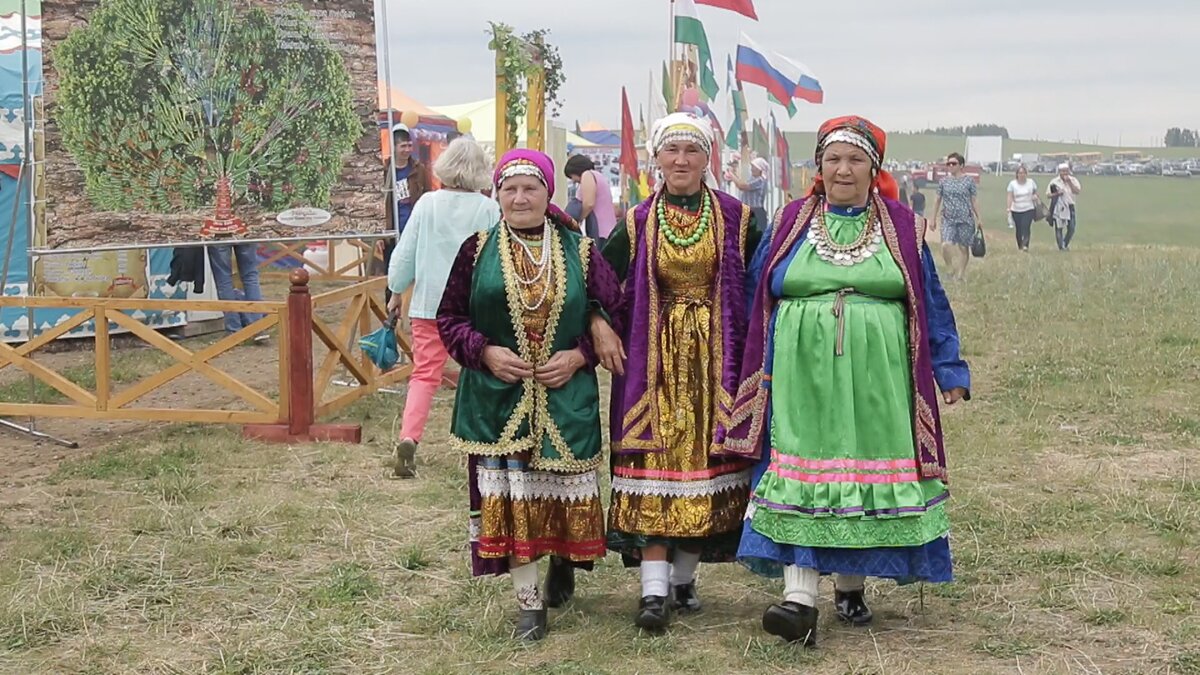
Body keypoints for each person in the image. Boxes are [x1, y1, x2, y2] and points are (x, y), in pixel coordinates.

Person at [721, 115, 971, 647]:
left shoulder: (903, 227)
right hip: (798, 374)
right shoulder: (790, 221)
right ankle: (798, 599)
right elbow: (753, 294)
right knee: (803, 468)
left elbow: (928, 301)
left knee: (861, 470)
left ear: (874, 168)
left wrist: (949, 369)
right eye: (833, 159)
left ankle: (852, 586)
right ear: (818, 167)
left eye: (855, 159)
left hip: (880, 377)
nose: (843, 169)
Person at [436, 149, 624, 642]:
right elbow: (449, 320)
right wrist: (484, 351)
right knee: (513, 501)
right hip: (497, 402)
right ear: (496, 194)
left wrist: (582, 353)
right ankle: (528, 603)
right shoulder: (475, 251)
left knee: (561, 497)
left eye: (531, 188)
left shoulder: (580, 251)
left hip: (564, 400)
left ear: (549, 194)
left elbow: (618, 309)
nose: (520, 198)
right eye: (510, 189)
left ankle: (562, 559)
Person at [590, 113, 761, 631]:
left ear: (708, 159)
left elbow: (763, 288)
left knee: (707, 472)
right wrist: (599, 321)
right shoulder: (639, 221)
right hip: (654, 364)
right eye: (672, 152)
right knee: (654, 469)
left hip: (716, 367)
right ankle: (654, 593)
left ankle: (684, 580)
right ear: (656, 160)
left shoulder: (739, 218)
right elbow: (599, 276)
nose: (681, 161)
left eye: (692, 151)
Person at [386, 137, 500, 478]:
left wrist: (395, 289)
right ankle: (483, 442)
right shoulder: (488, 209)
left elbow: (405, 252)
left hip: (429, 305)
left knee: (424, 374)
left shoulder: (427, 204)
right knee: (479, 371)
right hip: (473, 306)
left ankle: (409, 437)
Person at [380, 123, 429, 300]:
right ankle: (390, 313)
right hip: (393, 230)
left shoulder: (419, 170)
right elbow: (379, 204)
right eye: (403, 146)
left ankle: (411, 313)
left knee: (416, 273)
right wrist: (381, 232)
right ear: (394, 147)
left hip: (414, 228)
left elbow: (427, 197)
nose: (407, 150)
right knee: (392, 273)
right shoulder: (385, 171)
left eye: (409, 145)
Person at [932, 153, 981, 281]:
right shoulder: (944, 182)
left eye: (954, 164)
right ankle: (950, 267)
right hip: (948, 218)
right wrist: (933, 218)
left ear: (961, 165)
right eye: (949, 164)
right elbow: (937, 199)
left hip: (965, 218)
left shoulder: (969, 181)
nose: (951, 166)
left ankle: (960, 274)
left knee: (963, 247)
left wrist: (979, 217)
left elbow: (974, 200)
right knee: (945, 245)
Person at [208, 243, 266, 339]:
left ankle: (233, 329)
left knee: (223, 278)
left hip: (218, 232)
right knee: (250, 275)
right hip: (243, 231)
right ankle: (257, 326)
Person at [563, 154, 618, 248]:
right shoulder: (598, 176)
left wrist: (579, 219)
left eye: (571, 176)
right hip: (608, 229)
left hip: (600, 230)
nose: (573, 180)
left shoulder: (587, 175)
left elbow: (589, 203)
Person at [1047, 163, 1082, 251]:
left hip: (1070, 206)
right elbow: (1048, 195)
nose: (1065, 173)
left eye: (1066, 171)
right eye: (1063, 171)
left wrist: (1069, 182)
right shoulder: (1054, 182)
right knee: (1059, 227)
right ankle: (1061, 247)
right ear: (1059, 172)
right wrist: (1057, 193)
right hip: (1059, 207)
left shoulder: (1073, 180)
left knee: (1071, 228)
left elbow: (1077, 191)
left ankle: (1065, 243)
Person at [728, 156, 770, 228]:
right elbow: (741, 182)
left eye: (754, 167)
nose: (752, 169)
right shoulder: (752, 178)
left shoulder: (760, 180)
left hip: (756, 212)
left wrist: (731, 175)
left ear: (760, 169)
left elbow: (741, 186)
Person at [1007, 165, 1040, 251]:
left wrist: (1035, 196)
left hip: (1028, 208)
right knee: (1019, 228)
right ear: (1017, 174)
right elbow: (1010, 196)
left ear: (1026, 174)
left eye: (1023, 173)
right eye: (1020, 173)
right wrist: (1009, 208)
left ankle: (1026, 245)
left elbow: (1036, 192)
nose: (1022, 175)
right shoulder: (1012, 184)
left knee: (1026, 226)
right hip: (1016, 209)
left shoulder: (1031, 182)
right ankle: (1020, 245)